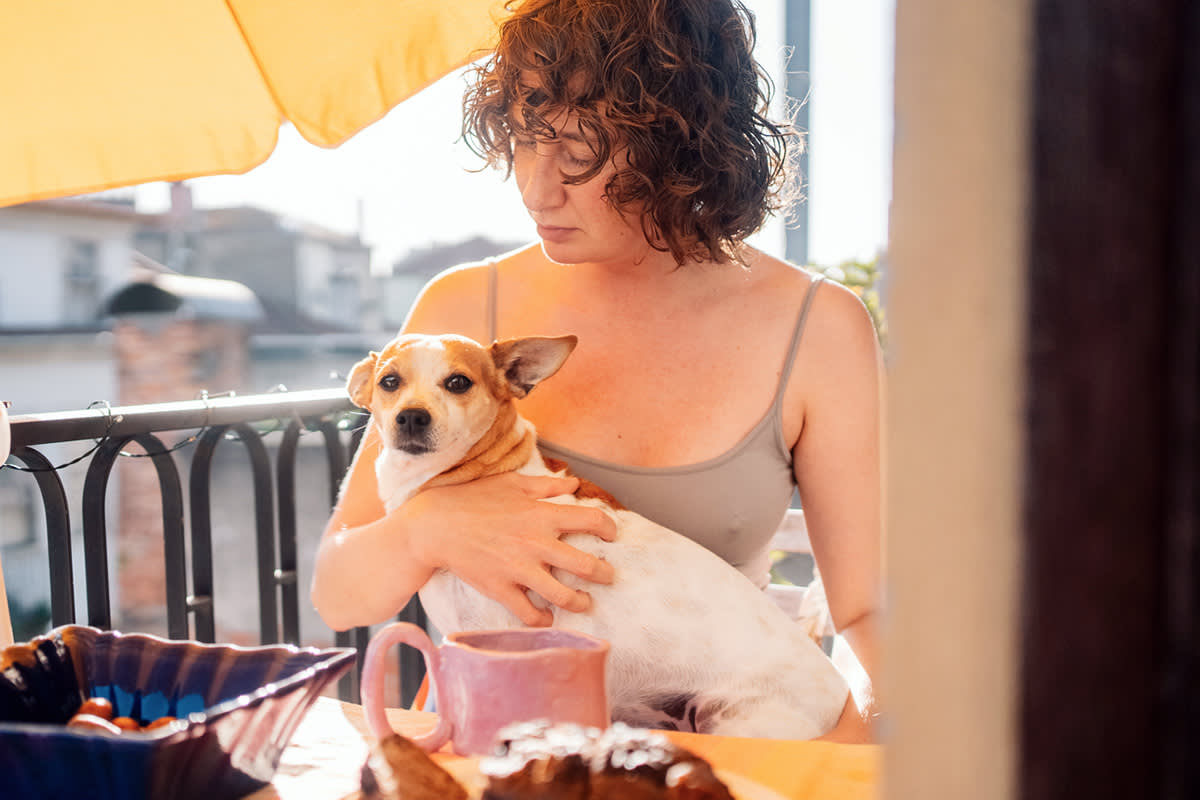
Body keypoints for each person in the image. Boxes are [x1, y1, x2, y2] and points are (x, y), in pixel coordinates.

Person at [311, 0, 883, 743]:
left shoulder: (818, 326)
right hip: (499, 744)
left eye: (579, 152)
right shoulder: (460, 312)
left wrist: (894, 758)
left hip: (727, 741)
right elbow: (338, 593)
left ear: (680, 144)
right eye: (522, 140)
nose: (536, 190)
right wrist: (429, 527)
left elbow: (867, 611)